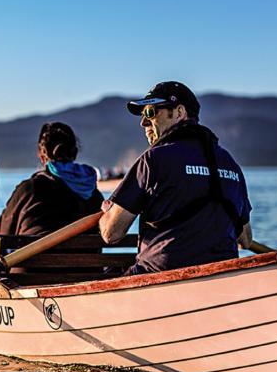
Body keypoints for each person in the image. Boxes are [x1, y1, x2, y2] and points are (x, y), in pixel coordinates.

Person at [99, 81, 253, 274]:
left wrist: (109, 213)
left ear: (179, 112)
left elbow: (111, 233)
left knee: (108, 273)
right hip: (221, 275)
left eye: (151, 112)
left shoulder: (153, 160)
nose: (143, 122)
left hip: (160, 277)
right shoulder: (230, 163)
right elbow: (246, 240)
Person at [0, 121, 104, 271]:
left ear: (42, 156)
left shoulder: (29, 189)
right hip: (85, 277)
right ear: (74, 153)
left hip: (27, 282)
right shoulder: (95, 196)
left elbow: (2, 235)